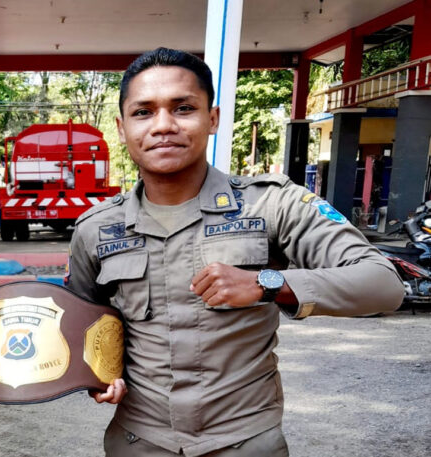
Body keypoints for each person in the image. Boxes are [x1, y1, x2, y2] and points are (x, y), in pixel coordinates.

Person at [64, 48, 404, 457]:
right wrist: (99, 375)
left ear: (213, 119)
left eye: (183, 107)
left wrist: (265, 283)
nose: (163, 126)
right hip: (139, 441)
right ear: (121, 128)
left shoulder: (273, 205)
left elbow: (384, 284)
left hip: (245, 443)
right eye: (143, 112)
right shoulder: (96, 228)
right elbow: (87, 324)